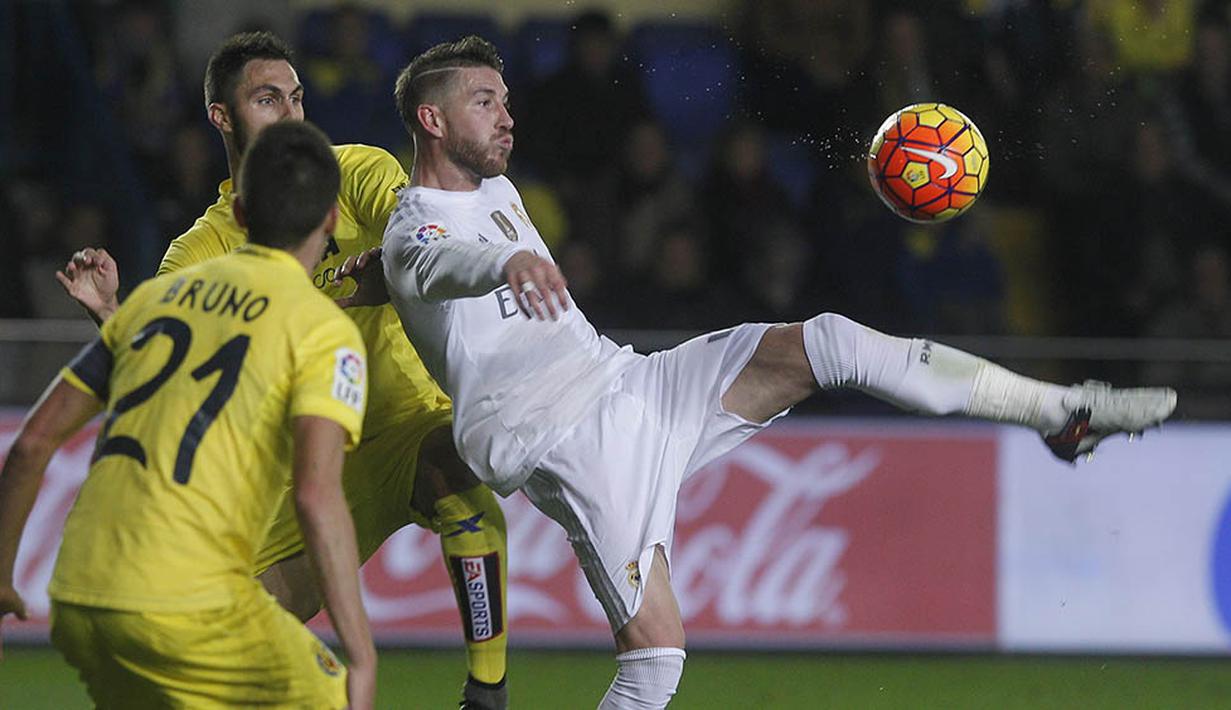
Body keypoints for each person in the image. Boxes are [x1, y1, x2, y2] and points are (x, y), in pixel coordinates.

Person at [378, 36, 1178, 709]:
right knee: (654, 658)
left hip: (629, 383)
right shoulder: (414, 221)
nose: (508, 115)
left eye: (506, 98)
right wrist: (500, 260)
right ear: (432, 119)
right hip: (561, 435)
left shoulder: (501, 187)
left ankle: (1060, 411)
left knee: (827, 341)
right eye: (486, 101)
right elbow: (430, 264)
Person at [55, 31, 508, 708]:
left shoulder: (352, 170)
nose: (291, 114)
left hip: (403, 423)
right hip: (307, 463)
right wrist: (113, 311)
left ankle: (487, 692)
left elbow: (417, 234)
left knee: (457, 468)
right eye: (268, 98)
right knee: (241, 630)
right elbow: (161, 366)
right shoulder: (200, 250)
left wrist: (398, 265)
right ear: (222, 116)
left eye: (296, 97)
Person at [0, 121, 375, 708]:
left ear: (242, 216)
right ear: (331, 220)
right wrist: (362, 652)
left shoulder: (155, 299)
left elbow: (30, 446)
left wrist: (0, 579)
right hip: (185, 599)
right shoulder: (321, 328)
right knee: (331, 693)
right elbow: (316, 495)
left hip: (76, 596)